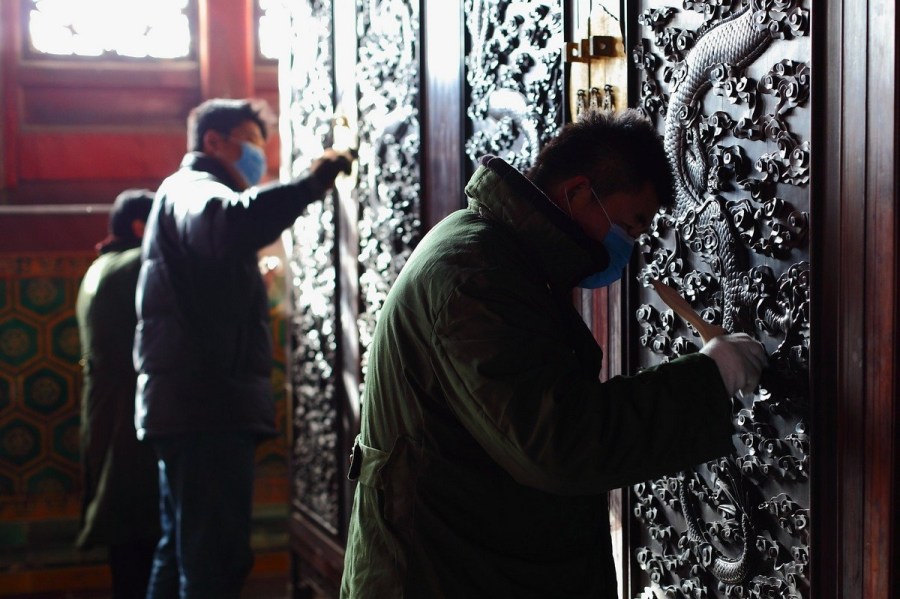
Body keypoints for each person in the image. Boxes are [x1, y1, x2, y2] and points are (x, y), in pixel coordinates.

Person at [340, 109, 767, 598]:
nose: (630, 245)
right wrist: (708, 378)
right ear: (580, 193)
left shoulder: (494, 253)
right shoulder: (476, 278)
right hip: (434, 572)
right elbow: (558, 441)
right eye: (630, 225)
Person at [134, 97, 354, 599]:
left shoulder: (181, 193)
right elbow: (230, 223)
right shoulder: (194, 189)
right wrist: (312, 181)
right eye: (253, 143)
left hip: (191, 406)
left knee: (181, 553)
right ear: (214, 142)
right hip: (206, 409)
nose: (259, 155)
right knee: (213, 562)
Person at [76, 188, 159, 599]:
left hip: (108, 410)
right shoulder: (130, 266)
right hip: (125, 414)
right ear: (141, 227)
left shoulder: (101, 266)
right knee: (134, 528)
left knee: (124, 526)